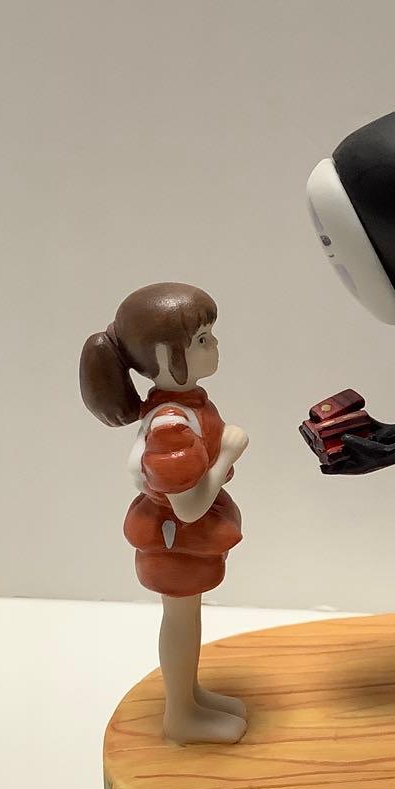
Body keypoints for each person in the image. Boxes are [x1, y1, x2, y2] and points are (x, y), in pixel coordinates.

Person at [80, 282, 249, 743]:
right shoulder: (172, 425)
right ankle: (180, 715)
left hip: (178, 536)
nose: (214, 345)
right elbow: (189, 506)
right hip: (176, 537)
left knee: (187, 618)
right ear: (163, 354)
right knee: (180, 619)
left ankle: (188, 695)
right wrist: (227, 453)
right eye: (202, 339)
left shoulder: (180, 407)